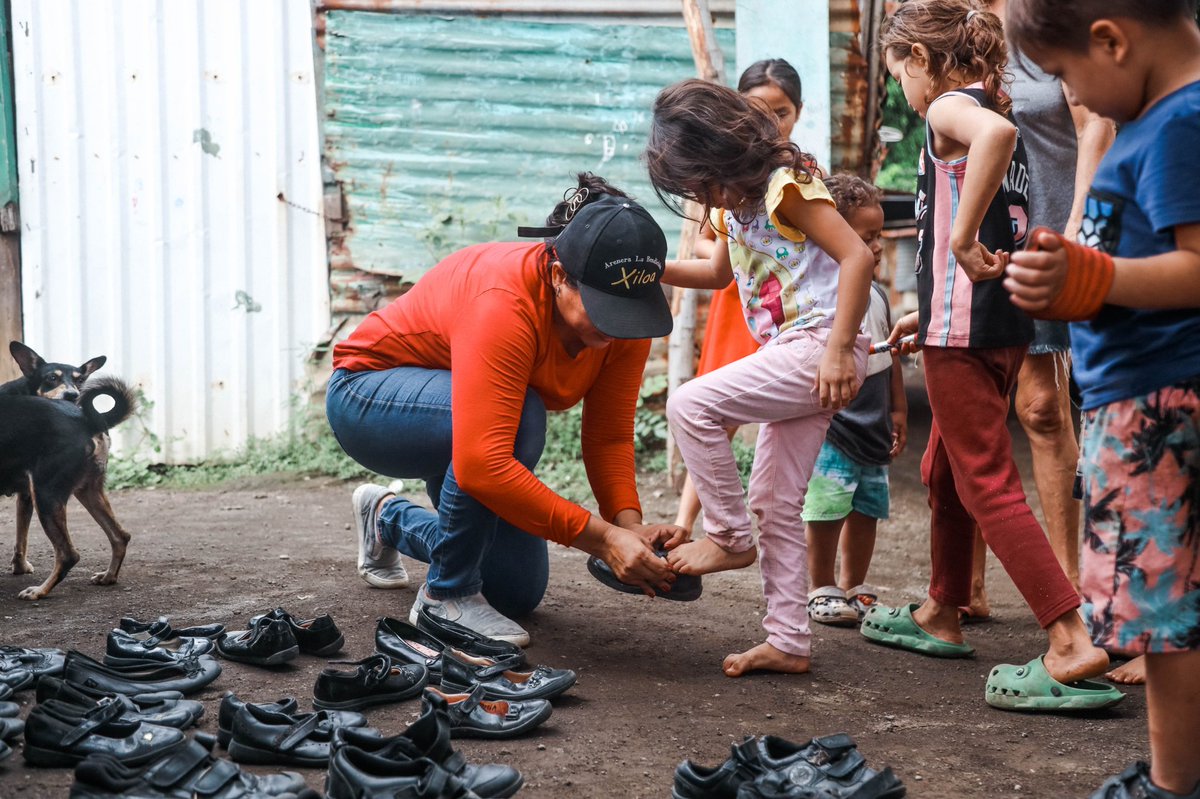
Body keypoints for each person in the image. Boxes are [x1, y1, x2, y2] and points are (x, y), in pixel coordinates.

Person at [326, 173, 687, 647]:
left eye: (629, 311)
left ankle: (386, 518)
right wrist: (602, 540)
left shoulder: (623, 317)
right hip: (369, 398)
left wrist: (628, 527)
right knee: (521, 417)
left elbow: (609, 436)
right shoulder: (505, 301)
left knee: (514, 590)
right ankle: (445, 596)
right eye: (604, 309)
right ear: (559, 277)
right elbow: (481, 462)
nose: (617, 327)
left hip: (464, 416)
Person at [871, 0, 1111, 700]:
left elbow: (995, 144)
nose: (904, 92)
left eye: (899, 75)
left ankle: (1069, 639)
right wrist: (928, 304)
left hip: (964, 328)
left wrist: (957, 241)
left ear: (921, 59)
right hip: (996, 322)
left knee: (984, 478)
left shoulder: (955, 108)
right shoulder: (992, 100)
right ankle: (942, 609)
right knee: (945, 466)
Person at [1004, 1, 1200, 795]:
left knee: (1164, 617)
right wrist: (1070, 277)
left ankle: (1171, 783)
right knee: (1170, 610)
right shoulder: (1157, 123)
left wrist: (1096, 276)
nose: (1071, 95)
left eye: (1064, 75)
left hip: (1157, 406)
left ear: (1111, 41)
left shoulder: (1180, 123)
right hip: (1146, 398)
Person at [645, 79, 876, 676]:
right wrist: (644, 268)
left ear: (721, 155)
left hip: (820, 346)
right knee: (774, 503)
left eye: (700, 183)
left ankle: (727, 536)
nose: (701, 197)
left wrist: (838, 350)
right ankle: (788, 641)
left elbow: (857, 256)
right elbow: (716, 276)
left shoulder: (785, 187)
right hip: (800, 354)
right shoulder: (732, 208)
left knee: (690, 404)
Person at [961, 0, 1116, 638]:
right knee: (995, 405)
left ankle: (1074, 589)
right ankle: (966, 586)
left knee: (1059, 407)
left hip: (1057, 235)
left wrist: (1080, 224)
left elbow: (1097, 123)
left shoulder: (1046, 23)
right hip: (987, 243)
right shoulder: (959, 31)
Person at [675, 58, 806, 533]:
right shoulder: (722, 177)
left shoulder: (801, 176)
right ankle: (686, 522)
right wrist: (740, 253)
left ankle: (757, 522)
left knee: (787, 411)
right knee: (716, 413)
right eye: (756, 110)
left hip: (790, 310)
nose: (770, 122)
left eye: (781, 112)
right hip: (737, 303)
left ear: (799, 111)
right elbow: (706, 247)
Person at [802, 174, 908, 626]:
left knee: (867, 507)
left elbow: (889, 354)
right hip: (835, 424)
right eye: (866, 238)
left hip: (874, 425)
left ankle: (854, 585)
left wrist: (898, 408)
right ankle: (821, 587)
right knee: (827, 508)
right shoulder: (822, 296)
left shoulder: (878, 294)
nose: (877, 247)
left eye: (878, 236)